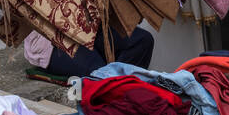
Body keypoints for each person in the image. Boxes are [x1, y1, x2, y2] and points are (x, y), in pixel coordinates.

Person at [23, 26, 155, 79]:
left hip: (91, 23)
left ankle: (125, 89)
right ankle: (116, 94)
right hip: (53, 38)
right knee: (101, 73)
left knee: (143, 41)